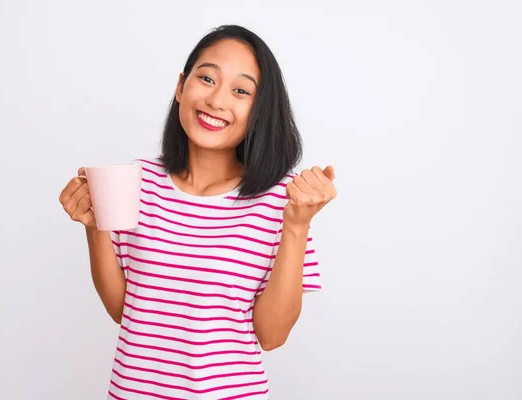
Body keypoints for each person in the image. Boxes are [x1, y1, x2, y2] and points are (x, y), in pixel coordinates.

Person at [59, 24, 337, 400]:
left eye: (241, 90)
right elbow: (127, 312)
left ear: (259, 110)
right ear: (181, 86)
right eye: (207, 78)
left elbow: (272, 337)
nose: (217, 100)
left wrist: (296, 226)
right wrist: (96, 227)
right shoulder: (137, 183)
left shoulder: (281, 200)